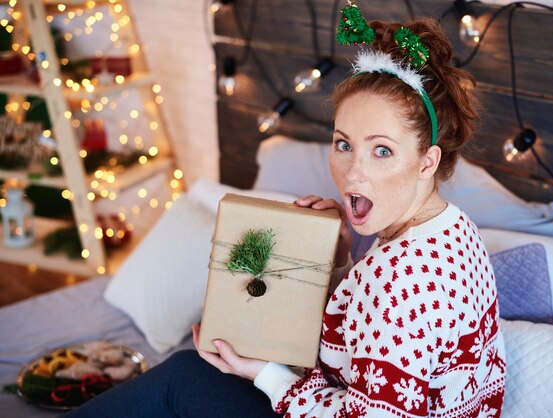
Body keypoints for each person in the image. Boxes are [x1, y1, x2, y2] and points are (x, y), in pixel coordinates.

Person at [65, 16, 505, 418]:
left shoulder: (395, 280)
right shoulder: (453, 228)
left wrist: (266, 374)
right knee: (190, 374)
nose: (353, 171)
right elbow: (376, 339)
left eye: (382, 150)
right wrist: (340, 260)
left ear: (426, 162)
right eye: (343, 143)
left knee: (183, 377)